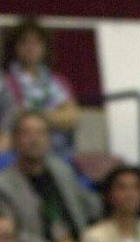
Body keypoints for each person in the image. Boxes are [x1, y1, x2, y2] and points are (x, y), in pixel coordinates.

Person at [0, 110, 98, 242]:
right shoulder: (4, 185)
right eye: (27, 133)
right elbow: (12, 234)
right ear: (14, 140)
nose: (34, 139)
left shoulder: (62, 170)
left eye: (41, 133)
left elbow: (87, 205)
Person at [0, 18, 80, 159]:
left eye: (36, 42)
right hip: (15, 151)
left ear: (45, 47)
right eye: (24, 42)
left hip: (58, 151)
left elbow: (72, 117)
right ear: (14, 47)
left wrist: (33, 114)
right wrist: (53, 116)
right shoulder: (4, 81)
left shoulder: (57, 82)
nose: (31, 47)